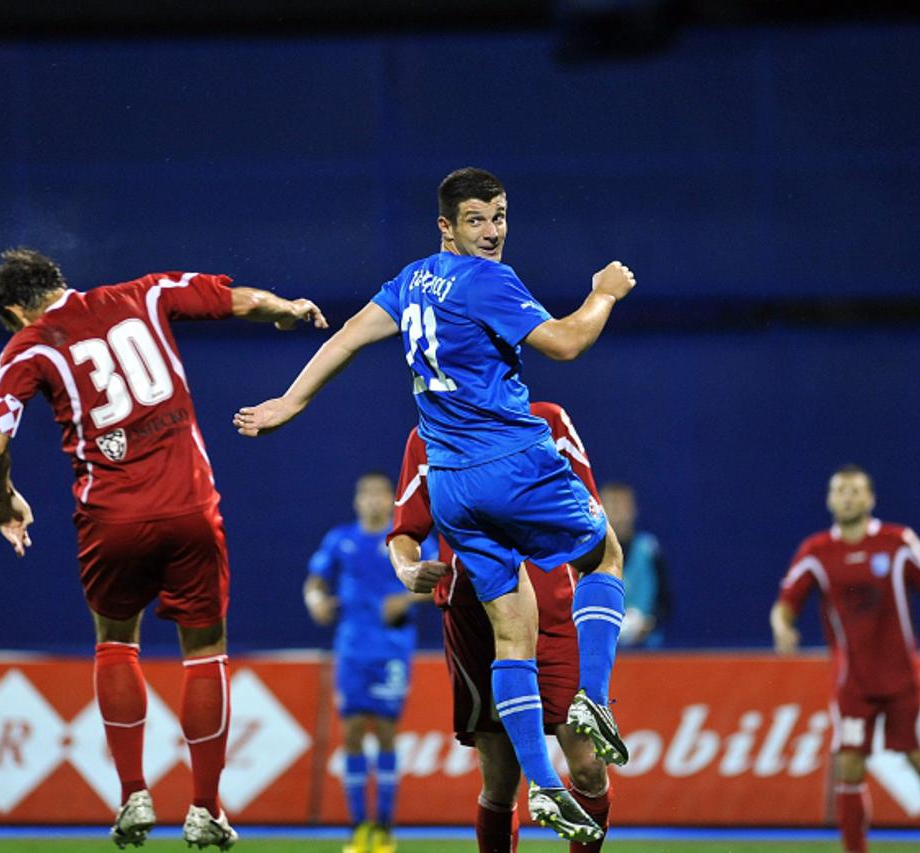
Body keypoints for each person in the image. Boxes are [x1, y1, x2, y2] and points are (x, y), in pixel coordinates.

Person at [235, 168, 634, 841]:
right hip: (512, 463)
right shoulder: (490, 282)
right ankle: (593, 696)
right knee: (606, 556)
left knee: (515, 630)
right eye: (477, 218)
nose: (493, 230)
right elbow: (567, 342)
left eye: (501, 215)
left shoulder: (413, 279)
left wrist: (291, 400)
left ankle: (540, 783)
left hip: (450, 483)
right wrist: (603, 294)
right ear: (446, 226)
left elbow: (346, 338)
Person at [0, 248, 326, 850]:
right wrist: (287, 311)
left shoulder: (29, 345)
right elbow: (243, 299)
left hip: (111, 520)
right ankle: (206, 807)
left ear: (13, 309)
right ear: (59, 280)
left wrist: (4, 499)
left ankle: (133, 792)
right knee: (205, 649)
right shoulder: (145, 293)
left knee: (115, 642)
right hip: (190, 507)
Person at [391, 401, 612, 853]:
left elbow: (592, 517)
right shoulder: (425, 438)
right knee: (499, 780)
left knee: (588, 767)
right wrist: (407, 569)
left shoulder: (546, 421)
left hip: (557, 617)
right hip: (476, 621)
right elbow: (404, 532)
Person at [771, 464, 920, 853]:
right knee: (850, 765)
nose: (848, 498)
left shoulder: (898, 542)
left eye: (856, 491)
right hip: (852, 682)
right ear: (829, 499)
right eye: (840, 491)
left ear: (871, 498)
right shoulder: (817, 552)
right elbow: (785, 605)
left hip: (902, 678)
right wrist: (783, 627)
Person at [304, 472, 432, 853]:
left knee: (388, 732)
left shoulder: (406, 541)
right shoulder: (341, 540)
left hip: (392, 648)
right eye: (367, 494)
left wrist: (406, 600)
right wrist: (315, 602)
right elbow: (314, 581)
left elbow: (443, 578)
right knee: (354, 732)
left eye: (381, 494)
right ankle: (360, 827)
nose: (374, 501)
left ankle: (386, 828)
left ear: (391, 500)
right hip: (352, 649)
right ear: (357, 501)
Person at [598, 483, 670, 648]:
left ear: (633, 510)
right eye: (611, 506)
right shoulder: (588, 553)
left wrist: (649, 623)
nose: (617, 515)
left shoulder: (649, 549)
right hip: (602, 650)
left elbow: (665, 601)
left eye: (622, 507)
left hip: (646, 651)